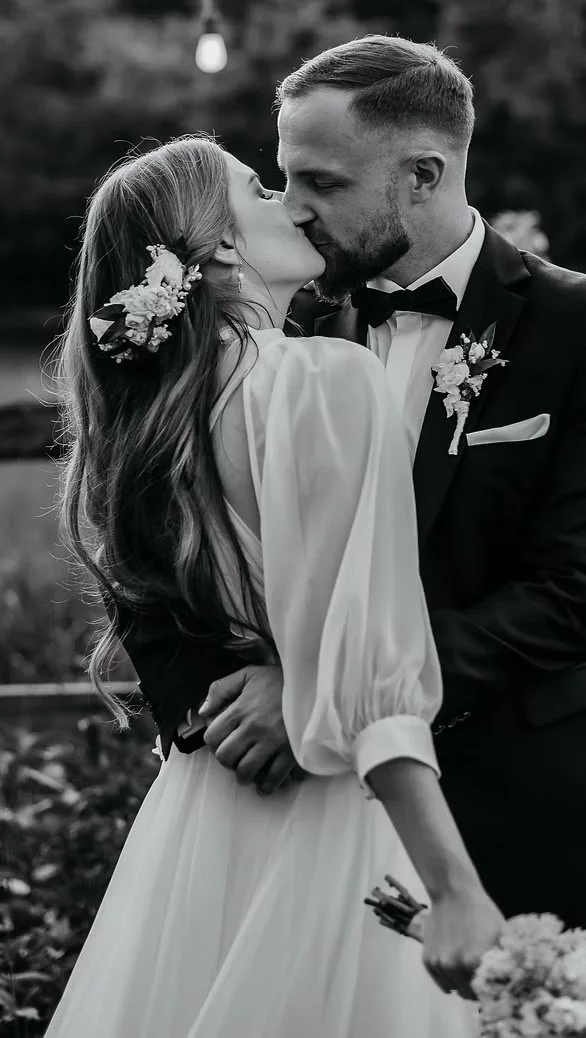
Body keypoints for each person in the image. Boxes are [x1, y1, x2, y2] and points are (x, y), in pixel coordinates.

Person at [45, 135, 500, 1037]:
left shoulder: (153, 424)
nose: (290, 205)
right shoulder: (325, 379)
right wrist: (452, 887)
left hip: (203, 823)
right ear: (218, 245)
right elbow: (365, 665)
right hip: (329, 808)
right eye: (260, 190)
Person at [133, 34, 586, 930]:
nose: (295, 210)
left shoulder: (573, 327)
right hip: (277, 825)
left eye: (323, 183)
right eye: (283, 179)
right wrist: (210, 707)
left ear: (423, 175)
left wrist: (321, 697)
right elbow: (146, 522)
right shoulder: (271, 313)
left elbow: (572, 589)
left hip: (512, 809)